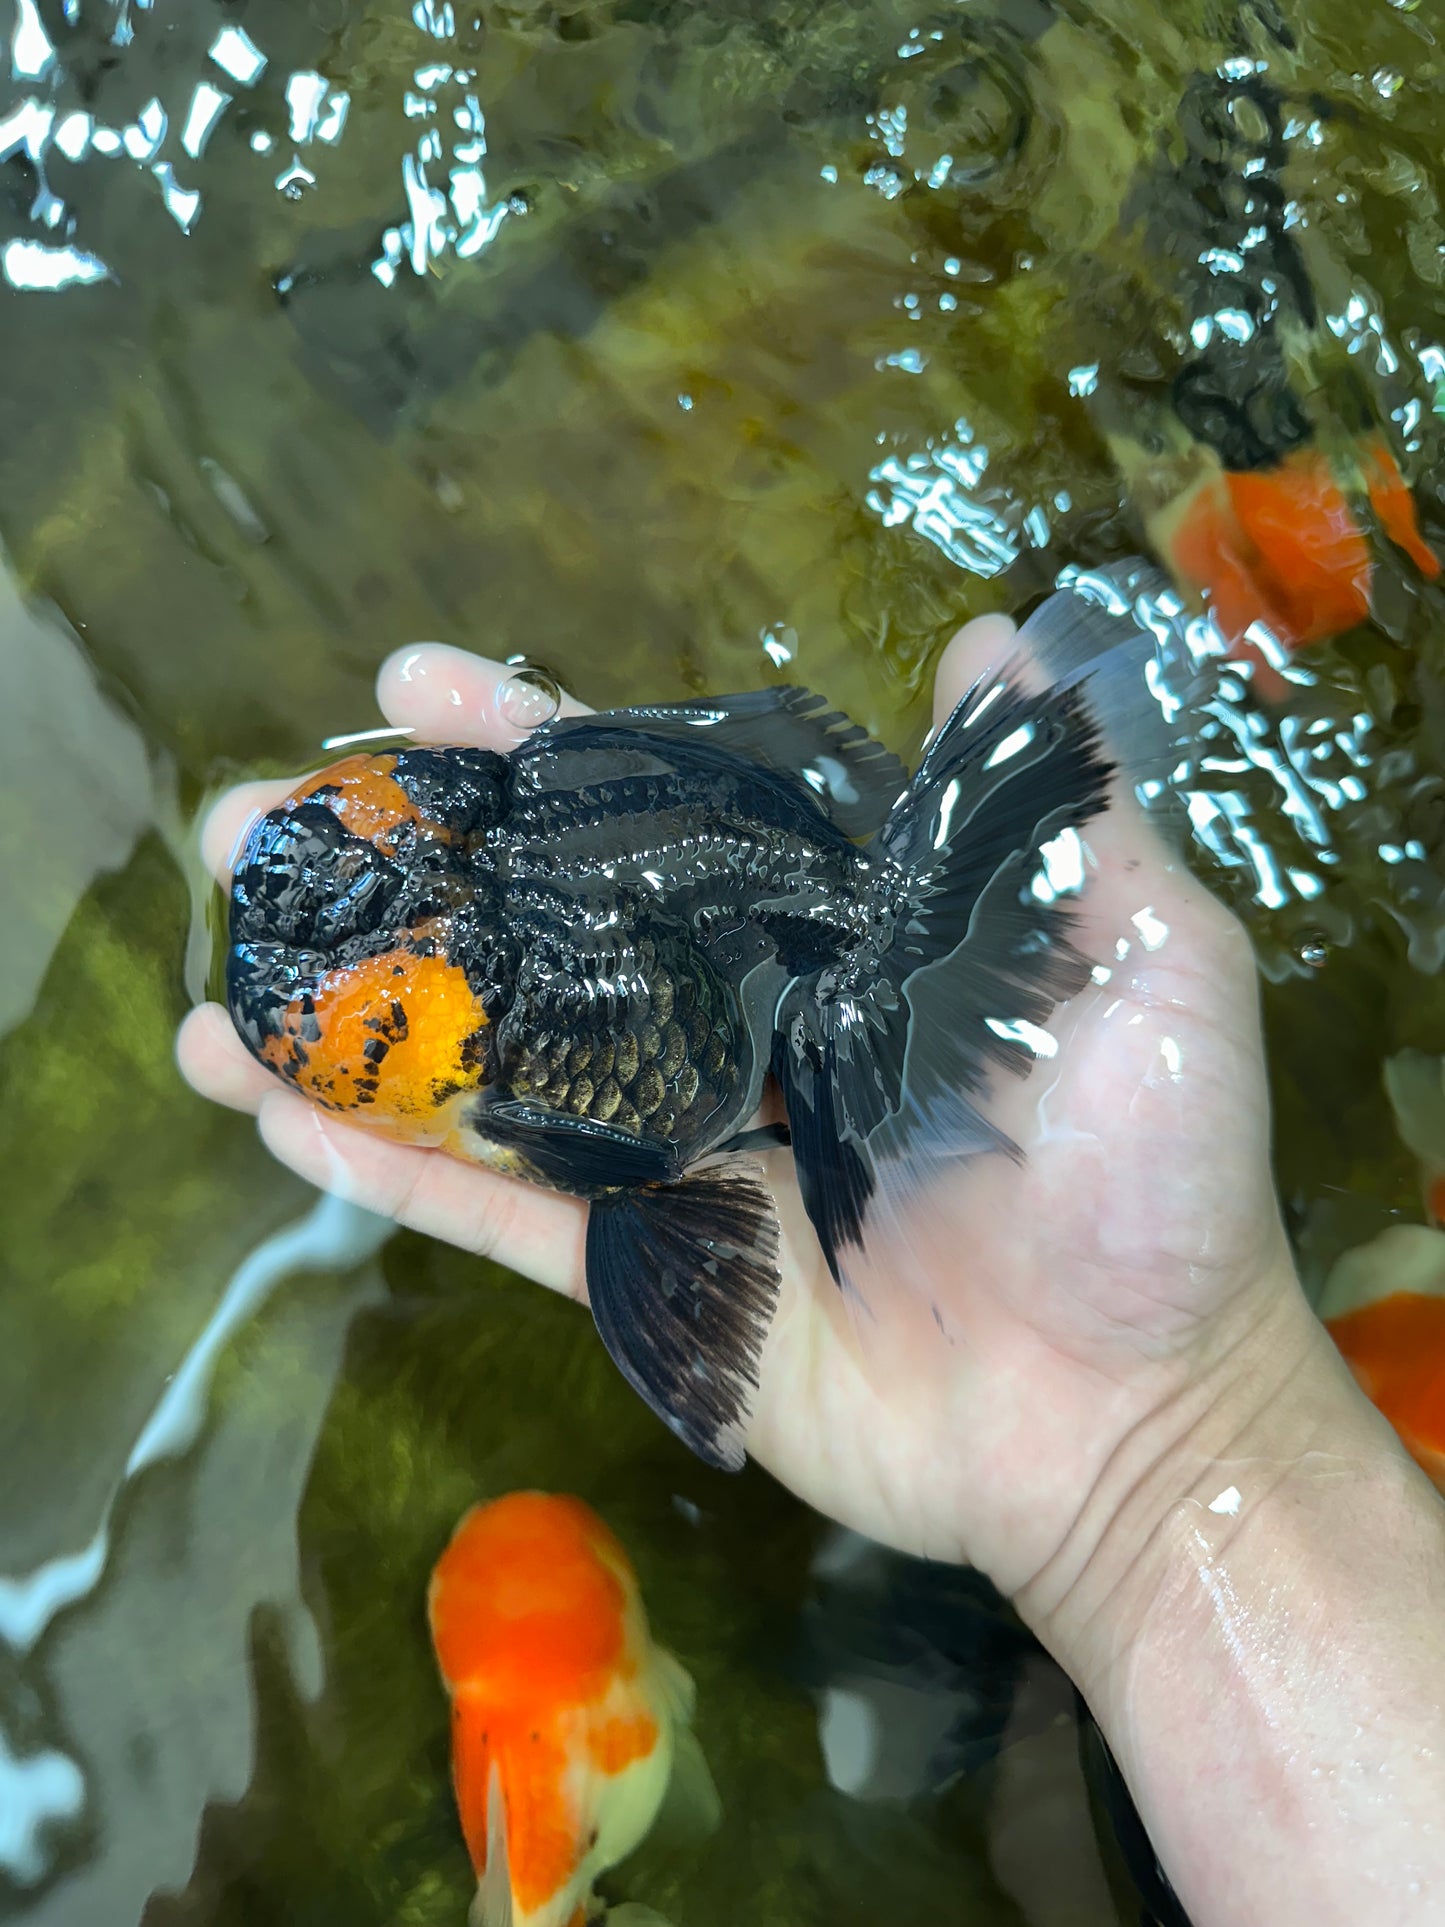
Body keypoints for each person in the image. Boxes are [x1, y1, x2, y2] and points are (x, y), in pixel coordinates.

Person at [177, 613, 1445, 1927]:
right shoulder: (467, 909)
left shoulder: (499, 1011)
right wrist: (1169, 1452)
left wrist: (1165, 1442)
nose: (279, 933)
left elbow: (634, 1170)